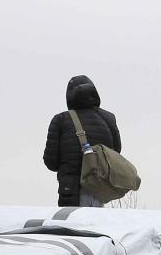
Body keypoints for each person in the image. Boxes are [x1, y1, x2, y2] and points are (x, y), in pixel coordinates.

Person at [44, 76, 122, 208]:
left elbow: (50, 162)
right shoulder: (109, 118)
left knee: (74, 227)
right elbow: (116, 152)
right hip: (101, 190)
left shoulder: (60, 120)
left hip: (71, 191)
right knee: (96, 227)